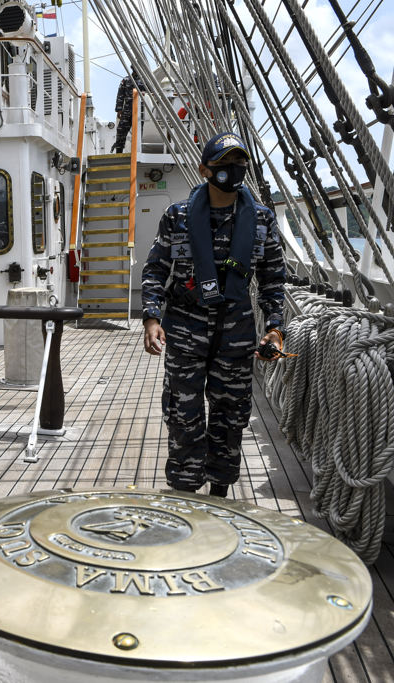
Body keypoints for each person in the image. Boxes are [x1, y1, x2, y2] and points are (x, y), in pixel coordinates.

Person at [141, 132, 286, 498]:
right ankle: (186, 495)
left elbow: (273, 280)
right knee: (183, 416)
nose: (233, 171)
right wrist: (151, 318)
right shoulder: (178, 216)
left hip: (236, 333)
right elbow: (156, 269)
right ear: (205, 169)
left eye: (239, 164)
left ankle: (220, 495)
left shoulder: (263, 220)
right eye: (224, 165)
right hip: (186, 331)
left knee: (230, 417)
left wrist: (274, 328)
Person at [112, 68, 148, 154]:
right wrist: (119, 110)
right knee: (121, 131)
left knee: (139, 132)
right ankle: (119, 151)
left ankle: (139, 152)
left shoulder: (145, 81)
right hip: (127, 110)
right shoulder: (126, 80)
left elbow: (151, 93)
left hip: (140, 111)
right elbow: (120, 94)